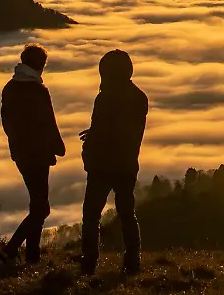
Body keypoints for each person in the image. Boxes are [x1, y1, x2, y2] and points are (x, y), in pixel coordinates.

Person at [80, 49, 149, 277]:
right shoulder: (139, 97)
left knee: (91, 214)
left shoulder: (104, 97)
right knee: (127, 213)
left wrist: (88, 150)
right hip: (127, 164)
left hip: (102, 165)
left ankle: (89, 262)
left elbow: (103, 130)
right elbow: (125, 130)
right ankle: (132, 261)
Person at [0, 43, 65, 265]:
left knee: (37, 204)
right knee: (42, 208)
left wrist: (16, 145)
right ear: (40, 65)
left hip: (20, 153)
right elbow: (49, 122)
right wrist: (59, 147)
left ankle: (32, 255)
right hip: (39, 154)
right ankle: (11, 249)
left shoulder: (9, 88)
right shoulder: (39, 90)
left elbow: (6, 122)